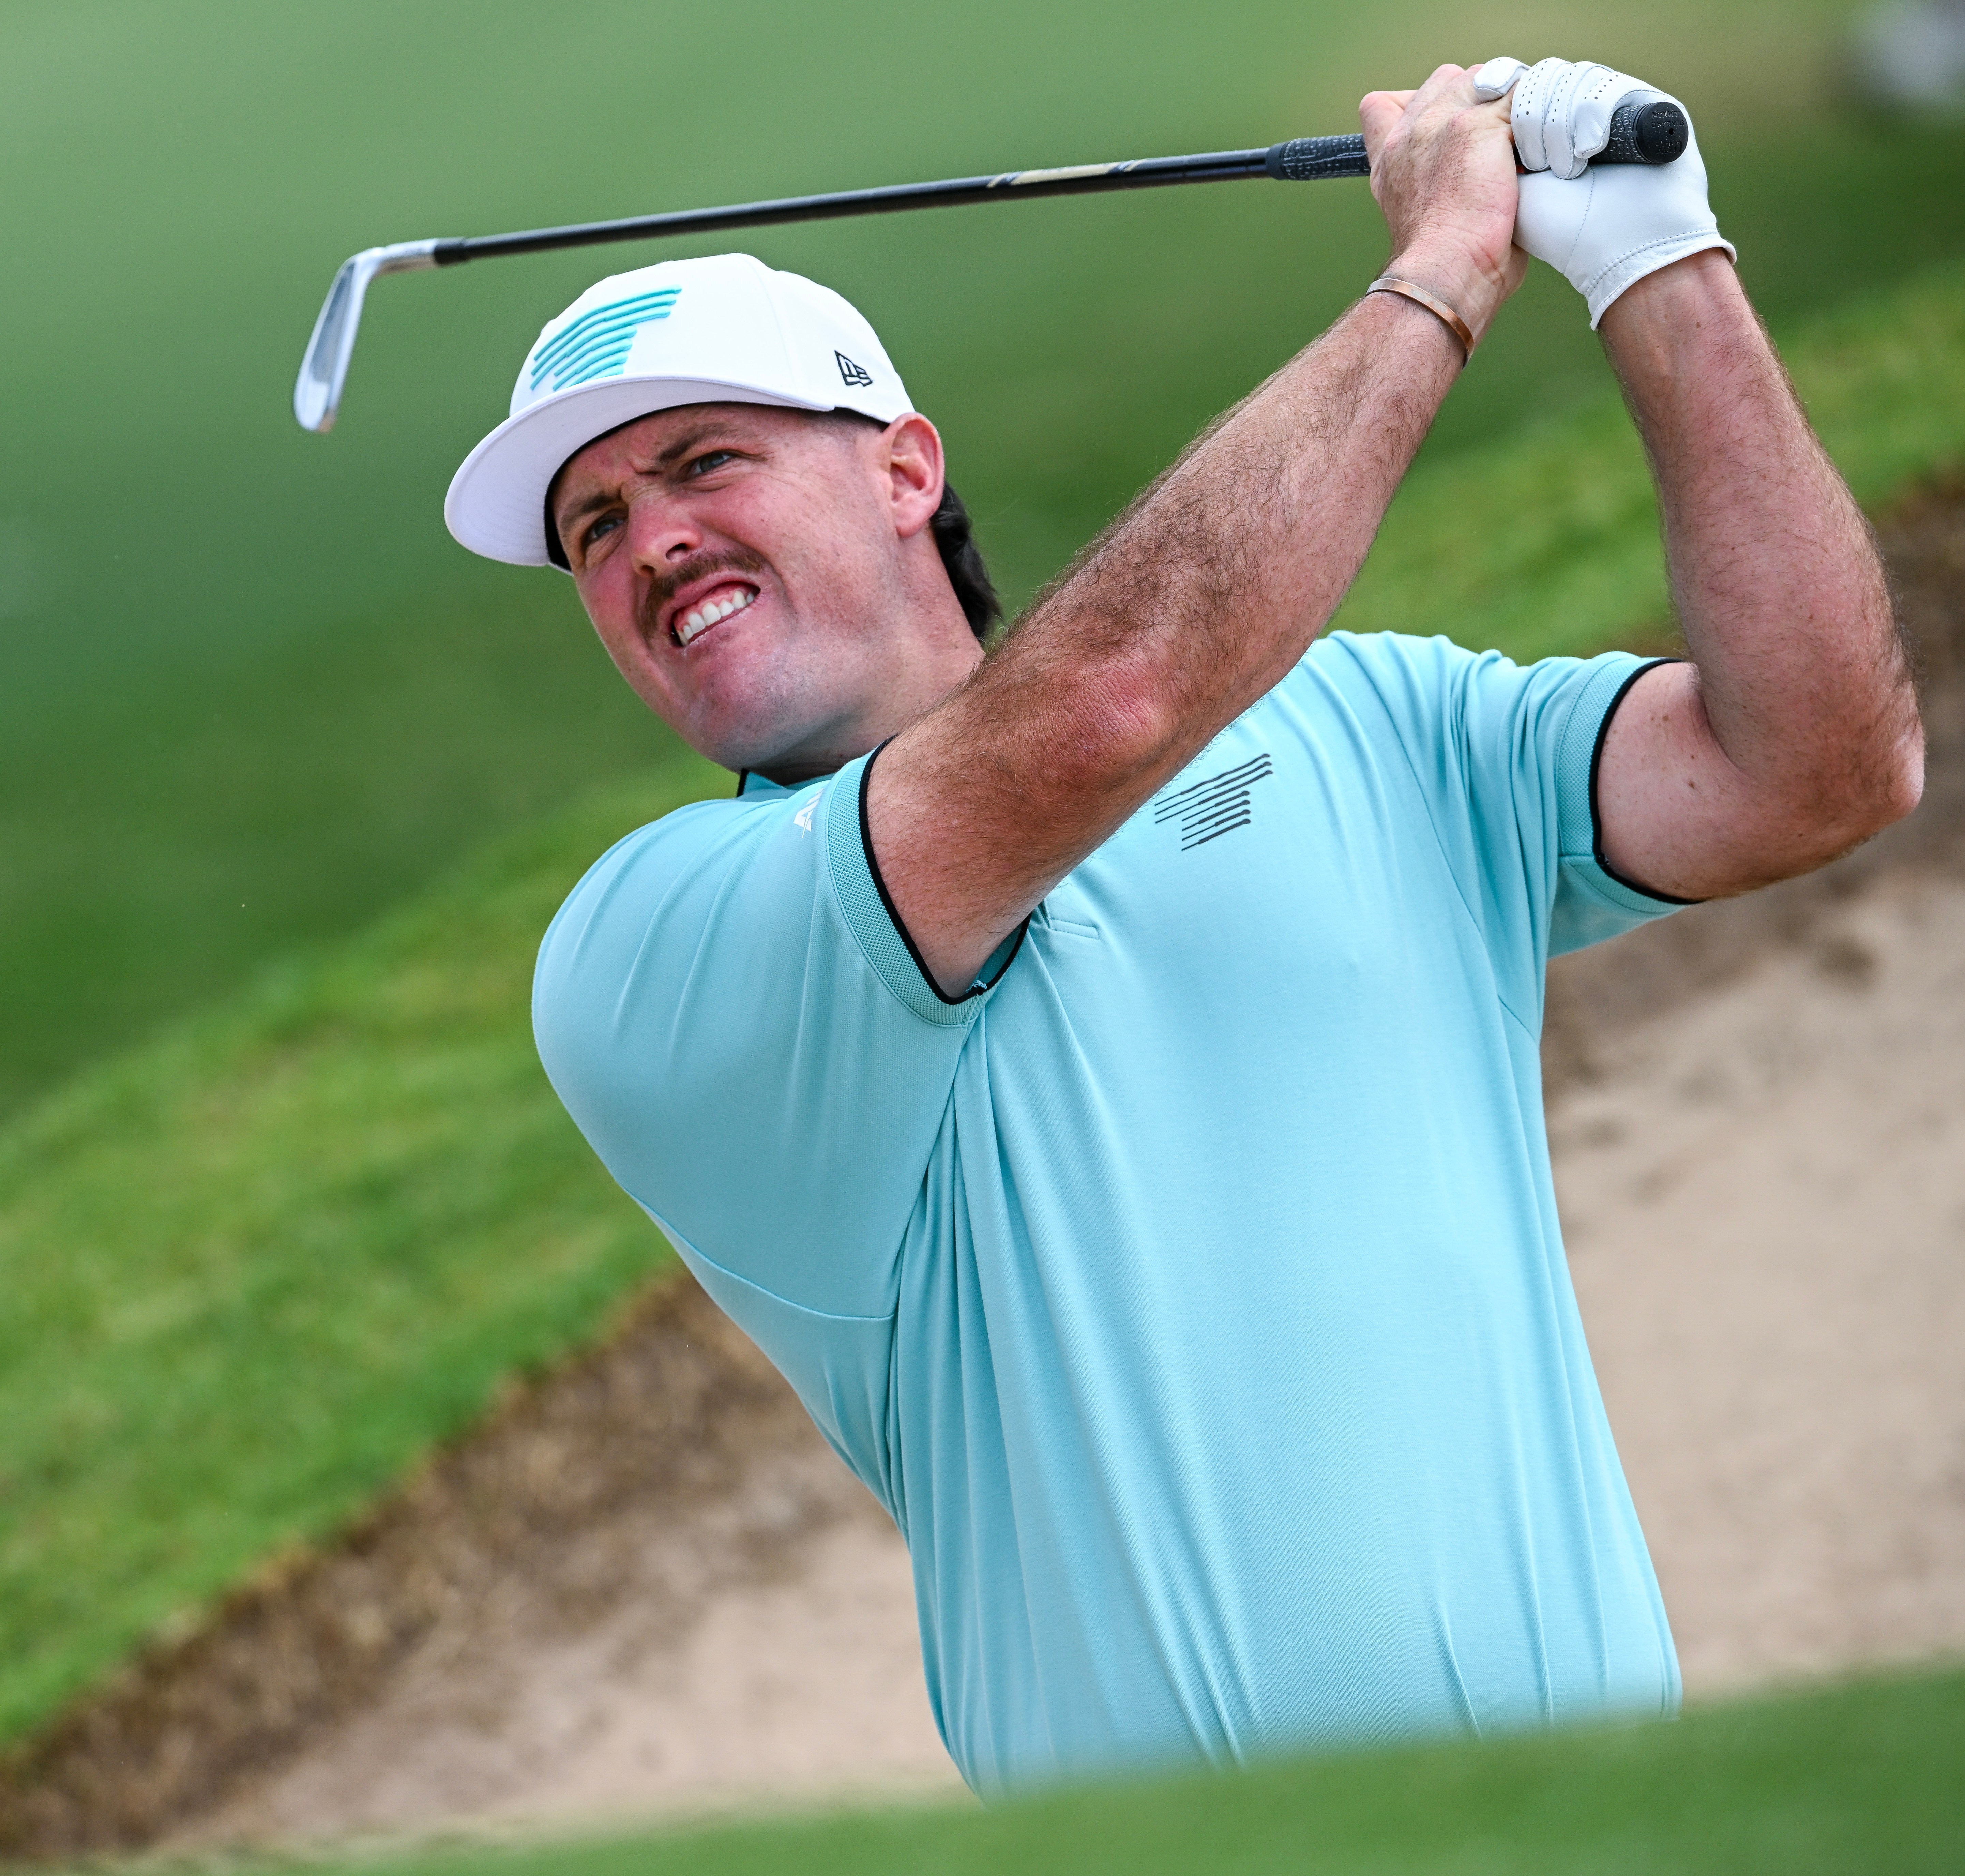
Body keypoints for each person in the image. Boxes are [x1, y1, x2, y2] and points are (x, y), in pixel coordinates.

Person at [441, 59, 1921, 1796]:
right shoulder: (655, 953)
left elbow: (1822, 763)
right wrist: (1444, 266)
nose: (649, 541)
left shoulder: (1373, 722)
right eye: (593, 526)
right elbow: (1108, 705)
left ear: (905, 469)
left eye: (704, 461)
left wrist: (1658, 266)